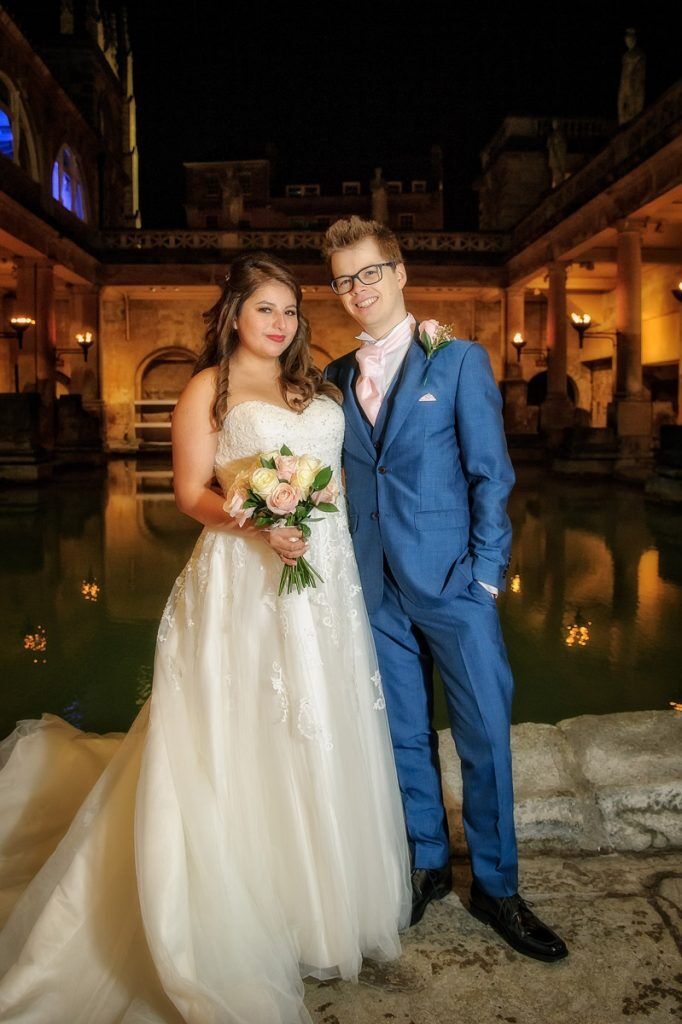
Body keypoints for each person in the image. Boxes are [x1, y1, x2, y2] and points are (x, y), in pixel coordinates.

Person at [0, 252, 411, 1023]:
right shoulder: (207, 389)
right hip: (243, 578)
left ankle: (319, 903)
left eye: (290, 311)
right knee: (248, 728)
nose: (281, 324)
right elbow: (192, 493)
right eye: (266, 310)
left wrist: (316, 518)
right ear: (234, 315)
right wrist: (261, 519)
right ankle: (242, 907)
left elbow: (337, 472)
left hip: (326, 580)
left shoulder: (314, 385)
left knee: (321, 723)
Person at [323, 216, 568, 962]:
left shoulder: (457, 361)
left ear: (400, 274)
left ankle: (497, 887)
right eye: (343, 280)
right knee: (402, 734)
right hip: (376, 589)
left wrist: (487, 578)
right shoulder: (335, 377)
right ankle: (428, 863)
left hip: (455, 584)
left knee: (486, 739)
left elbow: (492, 476)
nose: (359, 289)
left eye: (370, 273)